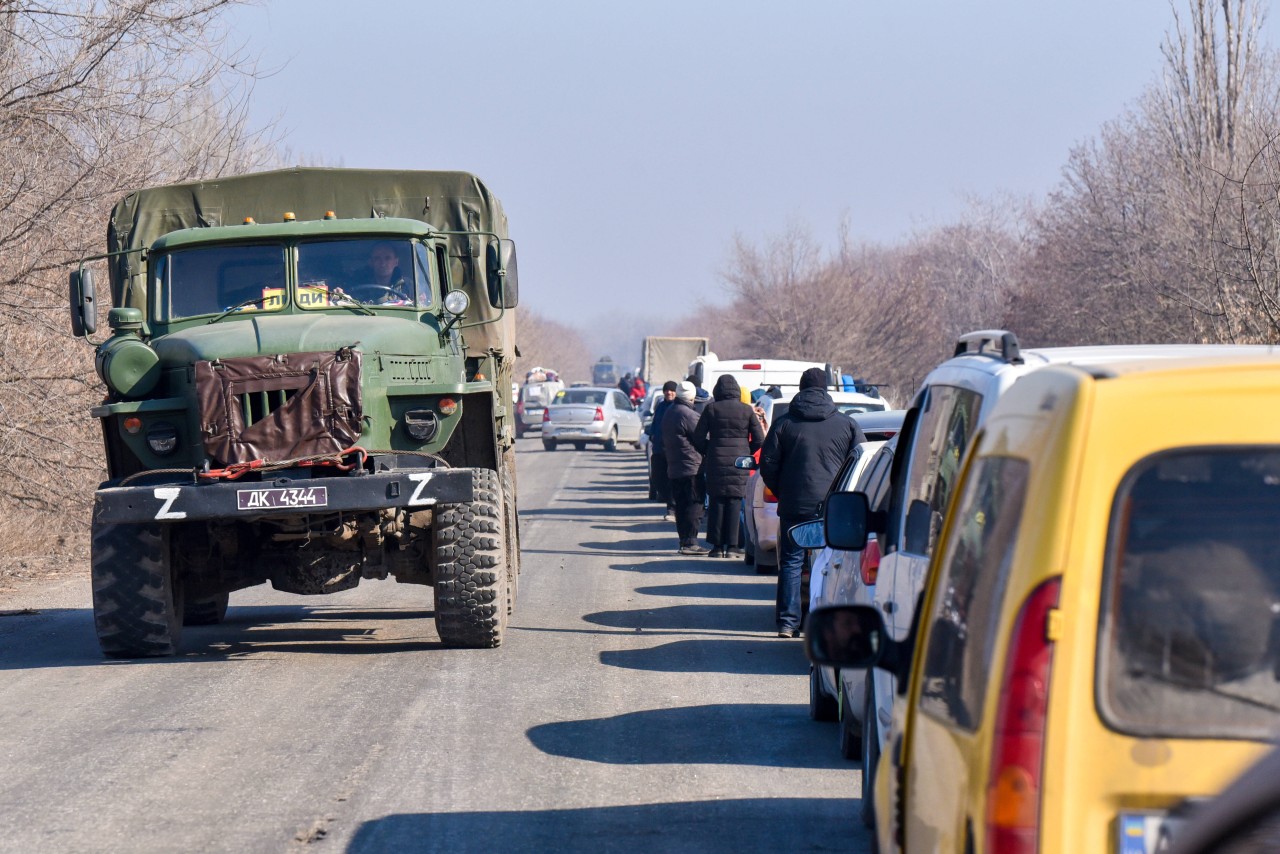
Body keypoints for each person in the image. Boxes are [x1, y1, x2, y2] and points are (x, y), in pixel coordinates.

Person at [760, 367, 866, 638]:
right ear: (826, 389)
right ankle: (824, 624)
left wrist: (783, 491)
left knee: (792, 563)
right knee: (831, 563)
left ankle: (787, 622)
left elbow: (767, 465)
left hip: (795, 504)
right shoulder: (847, 424)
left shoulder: (784, 423)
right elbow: (862, 466)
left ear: (800, 388)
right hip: (834, 508)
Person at [693, 375, 765, 558]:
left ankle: (717, 547)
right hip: (739, 462)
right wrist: (746, 451)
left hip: (716, 460)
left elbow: (697, 437)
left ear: (718, 390)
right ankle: (733, 546)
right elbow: (759, 439)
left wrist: (709, 450)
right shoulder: (746, 411)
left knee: (717, 501)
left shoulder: (711, 409)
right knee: (734, 502)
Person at [662, 381, 707, 555]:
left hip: (675, 467)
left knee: (681, 506)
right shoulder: (687, 414)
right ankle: (690, 542)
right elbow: (702, 437)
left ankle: (684, 541)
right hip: (691, 468)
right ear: (692, 396)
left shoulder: (670, 411)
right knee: (694, 504)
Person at [647, 380, 679, 511]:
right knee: (657, 478)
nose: (669, 392)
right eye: (666, 390)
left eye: (671, 390)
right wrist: (652, 435)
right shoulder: (660, 406)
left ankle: (672, 506)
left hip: (673, 450)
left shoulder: (678, 407)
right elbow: (655, 424)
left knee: (672, 479)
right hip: (659, 449)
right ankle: (668, 499)